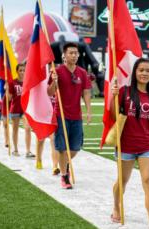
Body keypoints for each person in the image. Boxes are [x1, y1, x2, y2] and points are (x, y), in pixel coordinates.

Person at [110, 58, 149, 229]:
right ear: (135, 72)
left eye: (148, 70)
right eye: (141, 70)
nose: (144, 73)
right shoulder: (125, 91)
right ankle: (116, 207)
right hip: (125, 145)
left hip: (147, 146)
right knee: (123, 181)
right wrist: (114, 96)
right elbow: (113, 114)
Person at [48, 42, 92, 189]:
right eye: (71, 53)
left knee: (74, 148)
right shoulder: (57, 71)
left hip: (76, 116)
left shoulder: (82, 73)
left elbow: (86, 92)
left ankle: (64, 166)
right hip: (60, 114)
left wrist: (88, 110)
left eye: (76, 53)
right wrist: (54, 82)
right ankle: (64, 177)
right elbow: (49, 92)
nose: (74, 55)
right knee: (61, 148)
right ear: (64, 55)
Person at [6, 63, 34, 158]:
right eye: (20, 70)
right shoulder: (12, 83)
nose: (22, 72)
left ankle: (28, 151)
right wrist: (7, 90)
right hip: (15, 109)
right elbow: (9, 99)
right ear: (17, 71)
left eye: (24, 70)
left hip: (26, 110)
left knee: (27, 128)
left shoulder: (29, 83)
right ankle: (15, 149)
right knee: (15, 129)